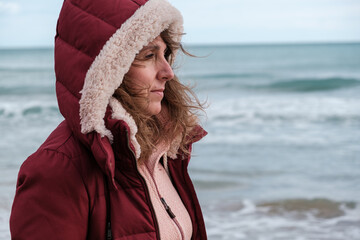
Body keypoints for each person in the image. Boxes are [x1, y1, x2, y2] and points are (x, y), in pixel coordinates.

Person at [9, 0, 207, 239]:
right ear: (109, 68)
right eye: (148, 55)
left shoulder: (163, 150)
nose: (168, 72)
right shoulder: (56, 169)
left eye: (165, 53)